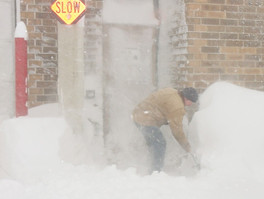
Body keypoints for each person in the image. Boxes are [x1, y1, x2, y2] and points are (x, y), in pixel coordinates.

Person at [132, 87, 198, 173]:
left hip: (138, 114)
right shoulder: (177, 106)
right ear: (186, 98)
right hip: (145, 119)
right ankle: (156, 171)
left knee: (152, 143)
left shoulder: (172, 91)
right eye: (191, 102)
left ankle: (148, 165)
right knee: (159, 143)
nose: (190, 104)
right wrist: (186, 146)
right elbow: (177, 131)